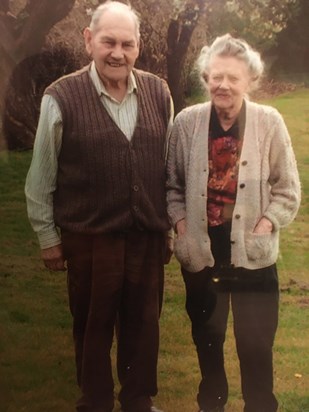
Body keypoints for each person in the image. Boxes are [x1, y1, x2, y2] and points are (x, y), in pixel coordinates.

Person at [25, 2, 174, 412]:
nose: (117, 53)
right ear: (89, 40)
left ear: (138, 46)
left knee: (144, 325)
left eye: (127, 44)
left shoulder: (159, 92)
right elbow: (41, 176)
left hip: (147, 235)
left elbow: (166, 167)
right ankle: (95, 401)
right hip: (90, 239)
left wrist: (169, 227)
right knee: (93, 327)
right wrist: (48, 238)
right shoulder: (61, 96)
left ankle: (138, 400)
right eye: (108, 41)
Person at [166, 34, 301, 412]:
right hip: (202, 252)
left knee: (256, 345)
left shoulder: (269, 122)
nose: (223, 85)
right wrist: (180, 226)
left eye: (234, 78)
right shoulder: (187, 122)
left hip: (253, 255)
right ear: (206, 77)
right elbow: (171, 186)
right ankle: (212, 405)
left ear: (250, 81)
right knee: (207, 341)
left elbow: (288, 189)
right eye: (216, 76)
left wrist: (266, 224)